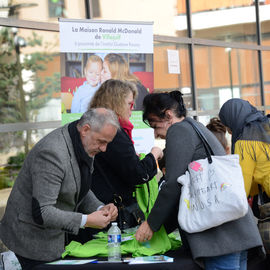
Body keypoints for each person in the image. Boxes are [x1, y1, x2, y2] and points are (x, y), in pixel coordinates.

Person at [135, 91, 264, 270]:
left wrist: (151, 224)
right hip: (235, 231)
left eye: (155, 126)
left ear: (168, 115)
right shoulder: (195, 126)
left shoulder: (178, 130)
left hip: (220, 238)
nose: (157, 134)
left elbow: (173, 184)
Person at [0, 108, 119, 269]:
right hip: (32, 238)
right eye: (101, 141)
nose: (104, 149)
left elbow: (77, 186)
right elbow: (43, 212)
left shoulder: (82, 140)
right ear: (85, 129)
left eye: (107, 143)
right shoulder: (52, 153)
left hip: (55, 235)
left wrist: (100, 207)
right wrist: (87, 220)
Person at [88, 79, 163, 232]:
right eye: (129, 103)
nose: (133, 108)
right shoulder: (114, 133)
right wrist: (154, 154)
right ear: (117, 103)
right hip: (112, 214)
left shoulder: (97, 126)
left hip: (100, 208)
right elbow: (138, 174)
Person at [219, 98, 270, 209]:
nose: (229, 131)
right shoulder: (266, 126)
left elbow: (242, 188)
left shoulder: (244, 142)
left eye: (227, 125)